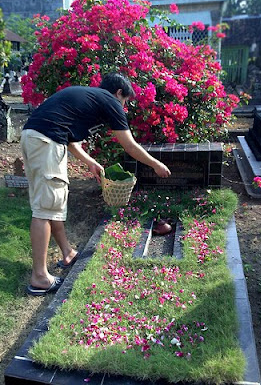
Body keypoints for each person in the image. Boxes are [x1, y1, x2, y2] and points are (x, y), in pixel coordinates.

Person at [21, 72, 171, 296]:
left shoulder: (90, 99)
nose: (124, 107)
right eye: (125, 102)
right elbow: (128, 145)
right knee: (45, 209)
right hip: (46, 142)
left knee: (54, 204)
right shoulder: (109, 100)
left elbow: (72, 144)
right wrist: (155, 164)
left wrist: (91, 163)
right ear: (118, 93)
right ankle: (40, 277)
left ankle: (68, 253)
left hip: (41, 139)